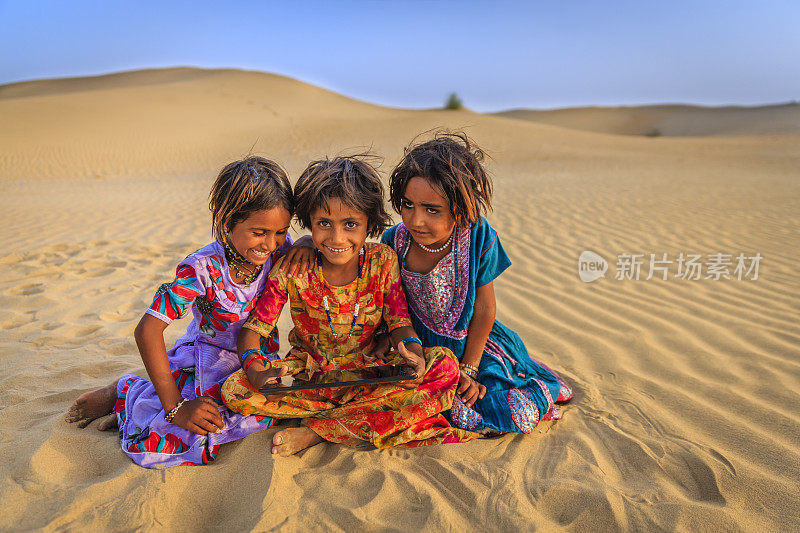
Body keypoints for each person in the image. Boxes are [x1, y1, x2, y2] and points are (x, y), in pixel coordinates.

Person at [221, 155, 478, 456]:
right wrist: (255, 370)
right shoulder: (292, 268)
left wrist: (412, 351)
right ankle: (360, 421)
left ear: (370, 223)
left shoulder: (383, 261)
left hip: (370, 373)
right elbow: (254, 331)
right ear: (310, 224)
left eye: (351, 224)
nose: (337, 237)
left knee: (443, 367)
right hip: (309, 378)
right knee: (234, 390)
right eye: (324, 224)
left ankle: (317, 431)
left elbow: (399, 323)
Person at [66, 156, 299, 467]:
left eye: (281, 232)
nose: (271, 244)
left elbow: (302, 252)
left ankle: (133, 405)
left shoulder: (282, 250)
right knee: (188, 433)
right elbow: (147, 330)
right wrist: (176, 408)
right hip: (208, 360)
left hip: (256, 360)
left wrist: (305, 243)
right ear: (226, 221)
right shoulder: (201, 269)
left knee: (266, 414)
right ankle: (125, 393)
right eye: (259, 232)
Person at [381, 132, 573, 435]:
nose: (416, 220)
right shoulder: (394, 241)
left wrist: (468, 369)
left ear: (460, 209)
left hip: (474, 346)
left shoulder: (478, 238)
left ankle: (530, 383)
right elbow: (391, 306)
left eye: (432, 209)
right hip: (418, 350)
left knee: (502, 409)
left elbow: (484, 308)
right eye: (407, 204)